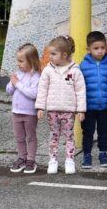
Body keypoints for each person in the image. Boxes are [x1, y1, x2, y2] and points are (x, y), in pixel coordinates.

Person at [35, 35, 86, 174]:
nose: (50, 57)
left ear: (64, 55)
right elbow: (42, 89)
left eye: (53, 54)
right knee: (54, 135)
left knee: (69, 136)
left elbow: (80, 91)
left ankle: (70, 160)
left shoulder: (75, 71)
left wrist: (81, 110)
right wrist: (40, 107)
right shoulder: (48, 70)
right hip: (52, 110)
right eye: (50, 53)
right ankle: (52, 160)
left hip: (69, 111)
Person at [79, 31, 107, 169]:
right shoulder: (83, 66)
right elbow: (79, 87)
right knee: (87, 132)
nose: (100, 51)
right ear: (88, 49)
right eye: (96, 48)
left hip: (105, 107)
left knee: (104, 132)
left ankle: (103, 153)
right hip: (88, 107)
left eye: (102, 48)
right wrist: (80, 108)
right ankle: (87, 155)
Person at [6, 43, 41, 174]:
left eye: (21, 61)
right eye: (18, 61)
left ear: (31, 61)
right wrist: (12, 83)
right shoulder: (18, 74)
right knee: (19, 137)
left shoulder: (35, 76)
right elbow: (9, 91)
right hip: (16, 112)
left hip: (29, 113)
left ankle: (31, 160)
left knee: (30, 136)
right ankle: (22, 158)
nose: (18, 64)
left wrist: (18, 84)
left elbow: (33, 94)